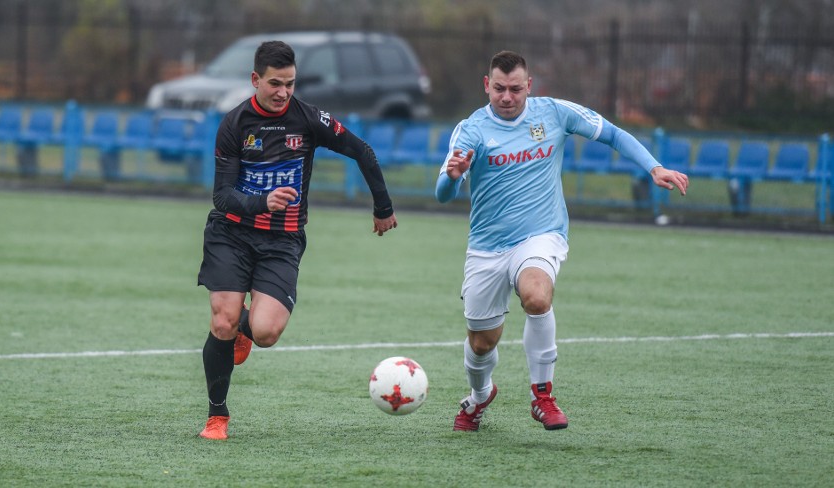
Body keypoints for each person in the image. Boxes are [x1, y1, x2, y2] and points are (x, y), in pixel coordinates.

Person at [435, 51, 688, 432]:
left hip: (542, 235)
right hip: (487, 246)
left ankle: (543, 396)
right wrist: (453, 177)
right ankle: (481, 394)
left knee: (537, 296)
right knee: (482, 342)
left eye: (515, 89)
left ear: (529, 86)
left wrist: (654, 166)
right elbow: (442, 194)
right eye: (499, 89)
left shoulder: (553, 113)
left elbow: (613, 134)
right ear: (487, 85)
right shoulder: (470, 130)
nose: (507, 97)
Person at [197, 40, 398, 440]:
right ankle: (217, 415)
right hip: (231, 233)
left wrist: (382, 206)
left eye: (290, 83)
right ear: (255, 80)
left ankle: (245, 327)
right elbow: (221, 196)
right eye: (274, 83)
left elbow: (362, 151)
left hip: (282, 241)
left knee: (266, 332)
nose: (283, 92)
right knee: (221, 320)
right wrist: (262, 201)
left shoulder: (308, 119)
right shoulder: (234, 124)